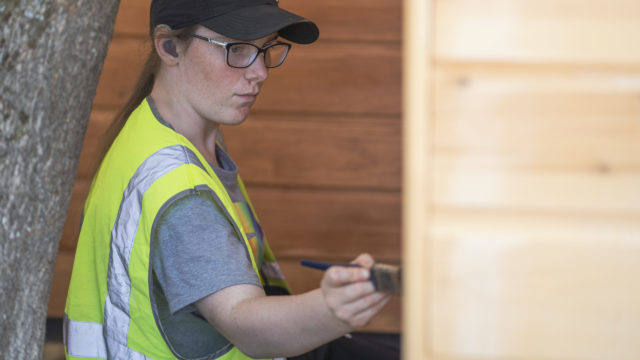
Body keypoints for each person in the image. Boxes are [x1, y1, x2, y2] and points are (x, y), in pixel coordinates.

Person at [64, 0, 396, 359]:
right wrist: (330, 308)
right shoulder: (182, 191)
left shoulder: (155, 133)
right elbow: (245, 323)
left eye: (266, 48)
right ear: (169, 47)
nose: (260, 72)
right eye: (237, 49)